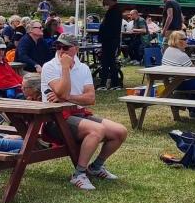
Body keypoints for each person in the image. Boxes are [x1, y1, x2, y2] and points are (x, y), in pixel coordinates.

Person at [41, 33, 129, 191]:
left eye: (65, 47)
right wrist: (65, 68)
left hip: (78, 113)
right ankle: (79, 174)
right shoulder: (50, 66)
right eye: (58, 47)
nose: (61, 50)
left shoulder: (83, 68)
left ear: (76, 49)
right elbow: (61, 91)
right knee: (97, 130)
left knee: (120, 131)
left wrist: (67, 97)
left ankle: (96, 167)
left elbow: (90, 98)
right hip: (54, 118)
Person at [97, 0, 124, 91]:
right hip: (109, 40)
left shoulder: (115, 11)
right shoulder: (113, 9)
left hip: (110, 40)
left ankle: (105, 83)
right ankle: (113, 83)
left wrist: (103, 35)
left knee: (107, 62)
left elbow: (110, 28)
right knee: (109, 62)